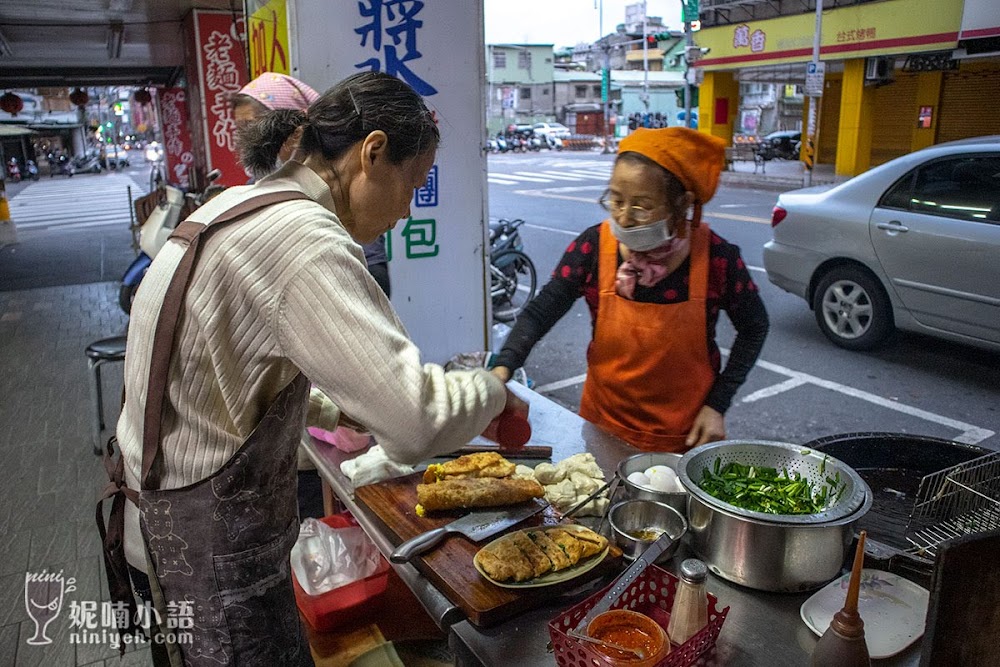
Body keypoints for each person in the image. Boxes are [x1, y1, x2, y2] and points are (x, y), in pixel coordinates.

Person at [100, 71, 516, 666]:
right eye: (412, 186)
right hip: (214, 558)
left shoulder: (240, 204)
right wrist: (492, 389)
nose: (403, 213)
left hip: (160, 526)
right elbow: (417, 422)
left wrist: (328, 405)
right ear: (372, 153)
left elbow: (224, 378)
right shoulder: (305, 240)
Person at [491, 127, 768, 452]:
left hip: (685, 435)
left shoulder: (717, 260)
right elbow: (542, 311)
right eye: (616, 200)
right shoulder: (594, 248)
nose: (624, 217)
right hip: (601, 426)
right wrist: (502, 369)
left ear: (681, 205)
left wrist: (717, 405)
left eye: (642, 205)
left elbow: (754, 327)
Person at [233, 72, 392, 296]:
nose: (245, 140)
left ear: (295, 134)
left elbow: (376, 280)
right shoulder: (254, 190)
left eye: (251, 127)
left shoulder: (340, 190)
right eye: (239, 128)